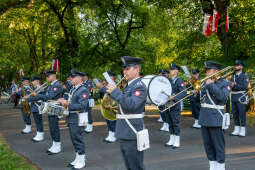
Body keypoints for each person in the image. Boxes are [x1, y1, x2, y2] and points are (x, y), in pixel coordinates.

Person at [107, 56, 147, 170]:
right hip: (125, 130)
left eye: (128, 69)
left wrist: (116, 92)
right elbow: (122, 103)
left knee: (135, 166)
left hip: (132, 131)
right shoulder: (128, 85)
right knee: (129, 165)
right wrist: (111, 93)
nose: (124, 71)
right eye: (124, 69)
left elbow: (132, 105)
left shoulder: (140, 86)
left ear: (137, 69)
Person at [199, 61, 232, 170]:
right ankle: (212, 167)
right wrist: (196, 92)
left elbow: (222, 97)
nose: (207, 73)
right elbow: (198, 100)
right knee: (208, 146)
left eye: (209, 71)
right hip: (204, 118)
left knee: (218, 146)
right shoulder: (204, 83)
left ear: (217, 71)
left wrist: (211, 84)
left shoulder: (225, 83)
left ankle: (221, 167)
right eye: (206, 71)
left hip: (216, 118)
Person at [58, 70, 89, 169]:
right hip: (72, 116)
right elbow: (71, 100)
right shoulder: (74, 88)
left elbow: (82, 105)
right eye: (71, 77)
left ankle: (82, 160)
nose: (71, 79)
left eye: (74, 77)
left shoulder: (83, 89)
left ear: (80, 78)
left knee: (78, 138)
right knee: (73, 138)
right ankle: (78, 158)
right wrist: (64, 101)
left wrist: (67, 104)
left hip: (78, 116)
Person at [29, 70, 63, 155]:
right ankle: (54, 144)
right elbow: (47, 95)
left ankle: (57, 146)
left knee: (54, 128)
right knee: (52, 127)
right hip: (50, 108)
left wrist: (36, 95)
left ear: (53, 76)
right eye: (46, 76)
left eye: (48, 76)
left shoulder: (57, 85)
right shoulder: (51, 85)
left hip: (55, 108)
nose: (47, 78)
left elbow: (49, 96)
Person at [165, 63, 186, 149]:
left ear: (177, 71)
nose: (171, 71)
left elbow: (183, 92)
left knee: (175, 123)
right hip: (167, 104)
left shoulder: (179, 80)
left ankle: (177, 141)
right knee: (169, 122)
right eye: (170, 69)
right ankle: (171, 139)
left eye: (173, 69)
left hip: (175, 104)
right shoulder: (168, 80)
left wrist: (174, 97)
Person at [230, 60, 249, 137]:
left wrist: (235, 85)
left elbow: (244, 87)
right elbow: (229, 87)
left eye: (238, 65)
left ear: (241, 67)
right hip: (234, 96)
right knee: (235, 114)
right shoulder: (232, 76)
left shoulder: (245, 76)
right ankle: (236, 129)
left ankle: (243, 129)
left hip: (241, 96)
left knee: (242, 114)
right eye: (235, 65)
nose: (236, 66)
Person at [98, 71, 117, 143]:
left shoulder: (115, 85)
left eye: (109, 76)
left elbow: (110, 93)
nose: (107, 78)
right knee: (108, 121)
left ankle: (114, 136)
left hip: (113, 106)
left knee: (112, 122)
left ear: (113, 77)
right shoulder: (106, 85)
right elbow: (102, 95)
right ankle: (110, 135)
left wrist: (102, 88)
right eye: (107, 77)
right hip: (106, 106)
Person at [27, 76, 44, 142]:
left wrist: (28, 99)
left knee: (38, 121)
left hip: (38, 107)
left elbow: (37, 98)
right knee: (37, 121)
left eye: (33, 81)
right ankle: (39, 134)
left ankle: (40, 135)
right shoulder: (35, 88)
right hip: (34, 107)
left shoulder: (41, 88)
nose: (32, 82)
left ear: (37, 81)